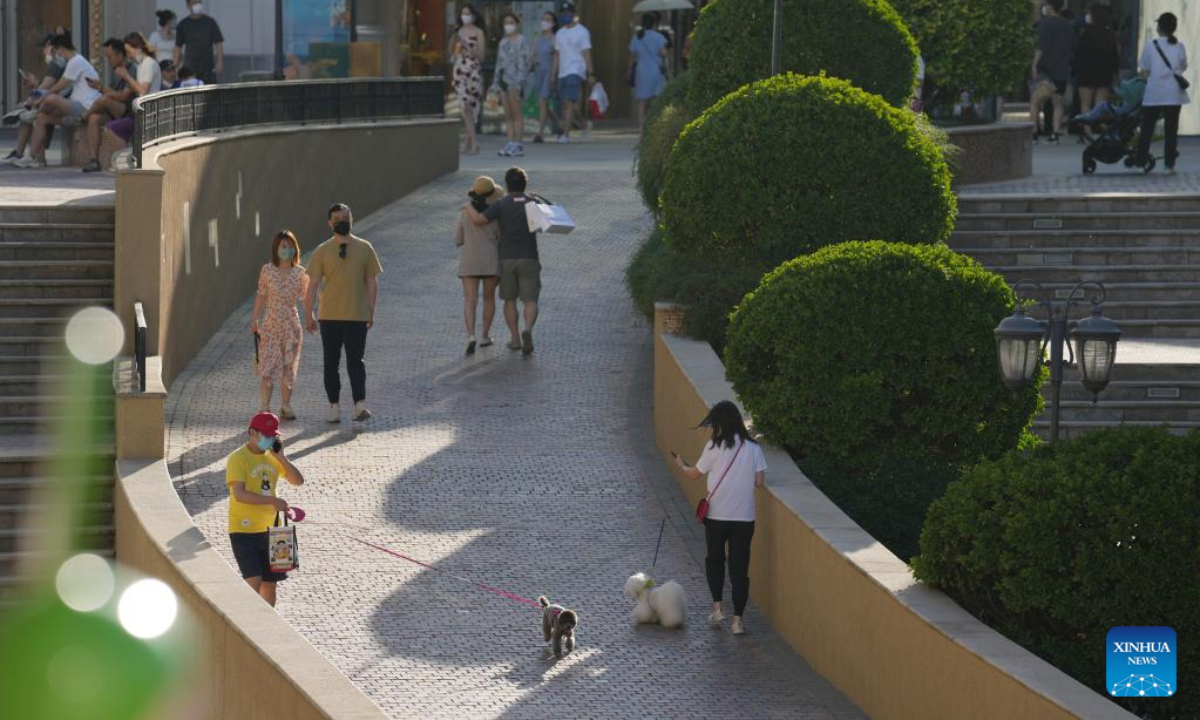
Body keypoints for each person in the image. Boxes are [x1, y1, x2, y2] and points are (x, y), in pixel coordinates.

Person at [672, 401, 768, 637]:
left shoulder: (713, 448)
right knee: (739, 569)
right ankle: (738, 621)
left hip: (716, 516)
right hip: (744, 518)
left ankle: (717, 609)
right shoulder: (754, 448)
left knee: (715, 561)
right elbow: (759, 482)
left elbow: (694, 474)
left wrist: (681, 464)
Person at [304, 204, 382, 423]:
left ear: (352, 219)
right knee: (331, 362)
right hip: (329, 316)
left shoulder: (365, 248)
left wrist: (370, 310)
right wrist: (309, 314)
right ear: (330, 223)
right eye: (337, 218)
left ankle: (359, 405)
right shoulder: (323, 250)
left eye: (345, 217)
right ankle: (334, 405)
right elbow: (313, 284)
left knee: (356, 361)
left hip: (357, 315)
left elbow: (372, 281)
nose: (342, 220)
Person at [226, 412, 305, 608]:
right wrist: (272, 500)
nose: (270, 440)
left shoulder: (274, 458)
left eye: (274, 436)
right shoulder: (238, 458)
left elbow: (298, 481)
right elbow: (239, 494)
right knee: (253, 581)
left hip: (272, 532)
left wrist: (282, 458)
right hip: (243, 531)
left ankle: (267, 624)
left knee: (270, 584)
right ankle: (245, 624)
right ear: (252, 432)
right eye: (266, 435)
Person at [463, 167, 540, 355]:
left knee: (509, 300)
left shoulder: (501, 204)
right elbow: (539, 226)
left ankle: (515, 338)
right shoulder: (533, 203)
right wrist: (533, 200)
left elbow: (480, 220)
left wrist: (467, 207)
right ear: (525, 184)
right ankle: (528, 328)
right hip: (529, 255)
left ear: (506, 184)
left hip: (506, 258)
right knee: (530, 300)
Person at [15, 35, 100, 169]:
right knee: (42, 118)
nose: (57, 56)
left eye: (56, 52)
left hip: (85, 107)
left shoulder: (76, 61)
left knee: (50, 98)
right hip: (74, 107)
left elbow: (59, 86)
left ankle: (34, 112)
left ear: (61, 49)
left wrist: (39, 102)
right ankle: (31, 157)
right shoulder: (73, 62)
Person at [252, 230, 310, 419]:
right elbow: (261, 294)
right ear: (276, 249)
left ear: (295, 249)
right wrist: (254, 319)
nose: (287, 249)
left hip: (291, 325)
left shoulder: (301, 273)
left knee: (288, 366)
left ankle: (286, 405)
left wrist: (311, 317)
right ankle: (265, 406)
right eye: (283, 246)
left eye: (290, 246)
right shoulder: (267, 270)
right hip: (270, 324)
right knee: (268, 364)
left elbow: (306, 299)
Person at [2, 32, 68, 165]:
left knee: (30, 114)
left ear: (50, 47)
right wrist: (34, 86)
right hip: (56, 102)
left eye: (44, 47)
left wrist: (29, 101)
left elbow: (46, 87)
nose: (43, 51)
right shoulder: (57, 64)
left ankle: (33, 157)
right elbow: (46, 88)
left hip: (63, 104)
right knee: (28, 114)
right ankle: (24, 154)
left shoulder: (56, 63)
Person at [1136, 12, 1190, 174]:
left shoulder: (1150, 45)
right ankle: (1169, 165)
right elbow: (1183, 66)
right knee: (1171, 130)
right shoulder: (1179, 46)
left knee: (1147, 128)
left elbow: (1144, 68)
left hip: (1154, 92)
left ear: (1159, 27)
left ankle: (1141, 162)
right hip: (1174, 94)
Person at [456, 177, 503, 355]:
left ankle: (471, 336)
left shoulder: (465, 212)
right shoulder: (496, 212)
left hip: (470, 258)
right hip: (491, 259)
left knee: (470, 300)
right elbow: (501, 236)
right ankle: (485, 336)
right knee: (489, 298)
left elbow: (458, 239)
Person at [1029, 0, 1077, 144]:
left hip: (1046, 72)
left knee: (1034, 102)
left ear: (1049, 7)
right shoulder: (1068, 26)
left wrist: (1034, 65)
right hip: (1061, 71)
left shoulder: (1043, 24)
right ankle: (1055, 134)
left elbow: (1040, 47)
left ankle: (1034, 134)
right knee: (1058, 104)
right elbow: (1072, 49)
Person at [551, 1, 592, 144]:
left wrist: (591, 73)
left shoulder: (582, 31)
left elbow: (586, 53)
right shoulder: (560, 33)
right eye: (563, 13)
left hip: (576, 70)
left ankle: (565, 134)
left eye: (568, 12)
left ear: (574, 14)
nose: (566, 15)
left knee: (569, 103)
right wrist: (553, 75)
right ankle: (584, 124)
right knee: (568, 105)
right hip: (562, 71)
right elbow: (556, 55)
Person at [491, 13, 530, 157]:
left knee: (517, 113)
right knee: (507, 114)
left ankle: (519, 144)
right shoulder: (502, 43)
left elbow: (525, 63)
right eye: (506, 23)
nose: (508, 25)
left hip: (516, 82)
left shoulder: (522, 41)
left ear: (517, 24)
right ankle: (511, 142)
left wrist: (519, 83)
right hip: (503, 81)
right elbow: (498, 64)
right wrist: (495, 83)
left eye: (511, 22)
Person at [1073, 4, 1120, 118]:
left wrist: (1075, 71)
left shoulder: (1086, 34)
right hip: (1104, 76)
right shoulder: (1110, 35)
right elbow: (1114, 57)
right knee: (1099, 105)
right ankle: (1097, 127)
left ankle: (1087, 130)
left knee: (1085, 104)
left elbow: (1079, 55)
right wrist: (1114, 73)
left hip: (1086, 75)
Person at [451, 4, 486, 155]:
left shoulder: (479, 32)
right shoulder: (458, 32)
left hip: (473, 72)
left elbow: (481, 56)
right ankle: (473, 143)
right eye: (462, 14)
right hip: (460, 71)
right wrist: (454, 43)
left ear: (473, 16)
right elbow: (452, 53)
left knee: (471, 108)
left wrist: (468, 47)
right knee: (464, 107)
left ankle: (468, 142)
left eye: (467, 14)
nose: (464, 17)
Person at [629, 13, 668, 129]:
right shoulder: (659, 37)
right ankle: (656, 124)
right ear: (654, 23)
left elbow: (632, 57)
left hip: (641, 71)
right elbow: (664, 53)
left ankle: (641, 125)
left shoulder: (637, 37)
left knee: (641, 100)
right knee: (656, 98)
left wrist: (628, 72)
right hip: (655, 71)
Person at [174, 0, 224, 85]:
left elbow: (218, 42)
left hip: (208, 67)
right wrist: (175, 66)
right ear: (188, 5)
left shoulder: (210, 22)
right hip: (189, 68)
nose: (197, 5)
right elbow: (178, 47)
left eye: (199, 2)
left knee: (210, 93)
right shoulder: (183, 24)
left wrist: (220, 62)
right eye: (194, 3)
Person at [531, 12, 560, 143]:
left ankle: (540, 133)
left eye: (548, 20)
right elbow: (532, 55)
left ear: (553, 23)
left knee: (543, 101)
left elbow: (555, 58)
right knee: (542, 104)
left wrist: (553, 75)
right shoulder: (538, 39)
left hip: (548, 71)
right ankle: (558, 123)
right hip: (538, 71)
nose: (544, 22)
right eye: (543, 19)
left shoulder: (554, 39)